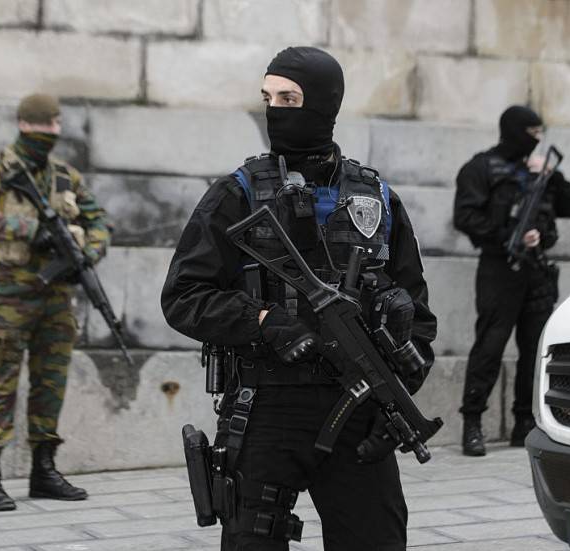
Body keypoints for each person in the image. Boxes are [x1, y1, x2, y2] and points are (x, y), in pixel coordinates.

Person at [162, 46, 437, 550]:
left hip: (356, 409)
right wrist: (262, 319)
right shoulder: (238, 193)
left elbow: (418, 316)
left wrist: (395, 399)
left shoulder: (375, 199)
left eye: (289, 97)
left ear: (325, 104)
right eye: (268, 97)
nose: (275, 111)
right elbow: (184, 296)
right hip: (266, 408)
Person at [0, 93, 111, 510]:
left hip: (57, 296)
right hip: (10, 295)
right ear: (24, 125)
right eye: (42, 127)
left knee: (51, 383)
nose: (49, 134)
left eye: (54, 127)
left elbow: (100, 222)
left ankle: (43, 470)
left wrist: (85, 251)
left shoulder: (67, 177)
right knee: (2, 382)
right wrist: (31, 230)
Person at [452, 105, 570, 457]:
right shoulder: (482, 168)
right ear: (514, 131)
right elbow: (464, 216)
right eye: (532, 133)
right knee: (490, 347)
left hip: (536, 272)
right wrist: (508, 234)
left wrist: (553, 176)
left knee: (534, 351)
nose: (537, 140)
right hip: (499, 269)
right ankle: (473, 423)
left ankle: (524, 421)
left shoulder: (539, 173)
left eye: (540, 134)